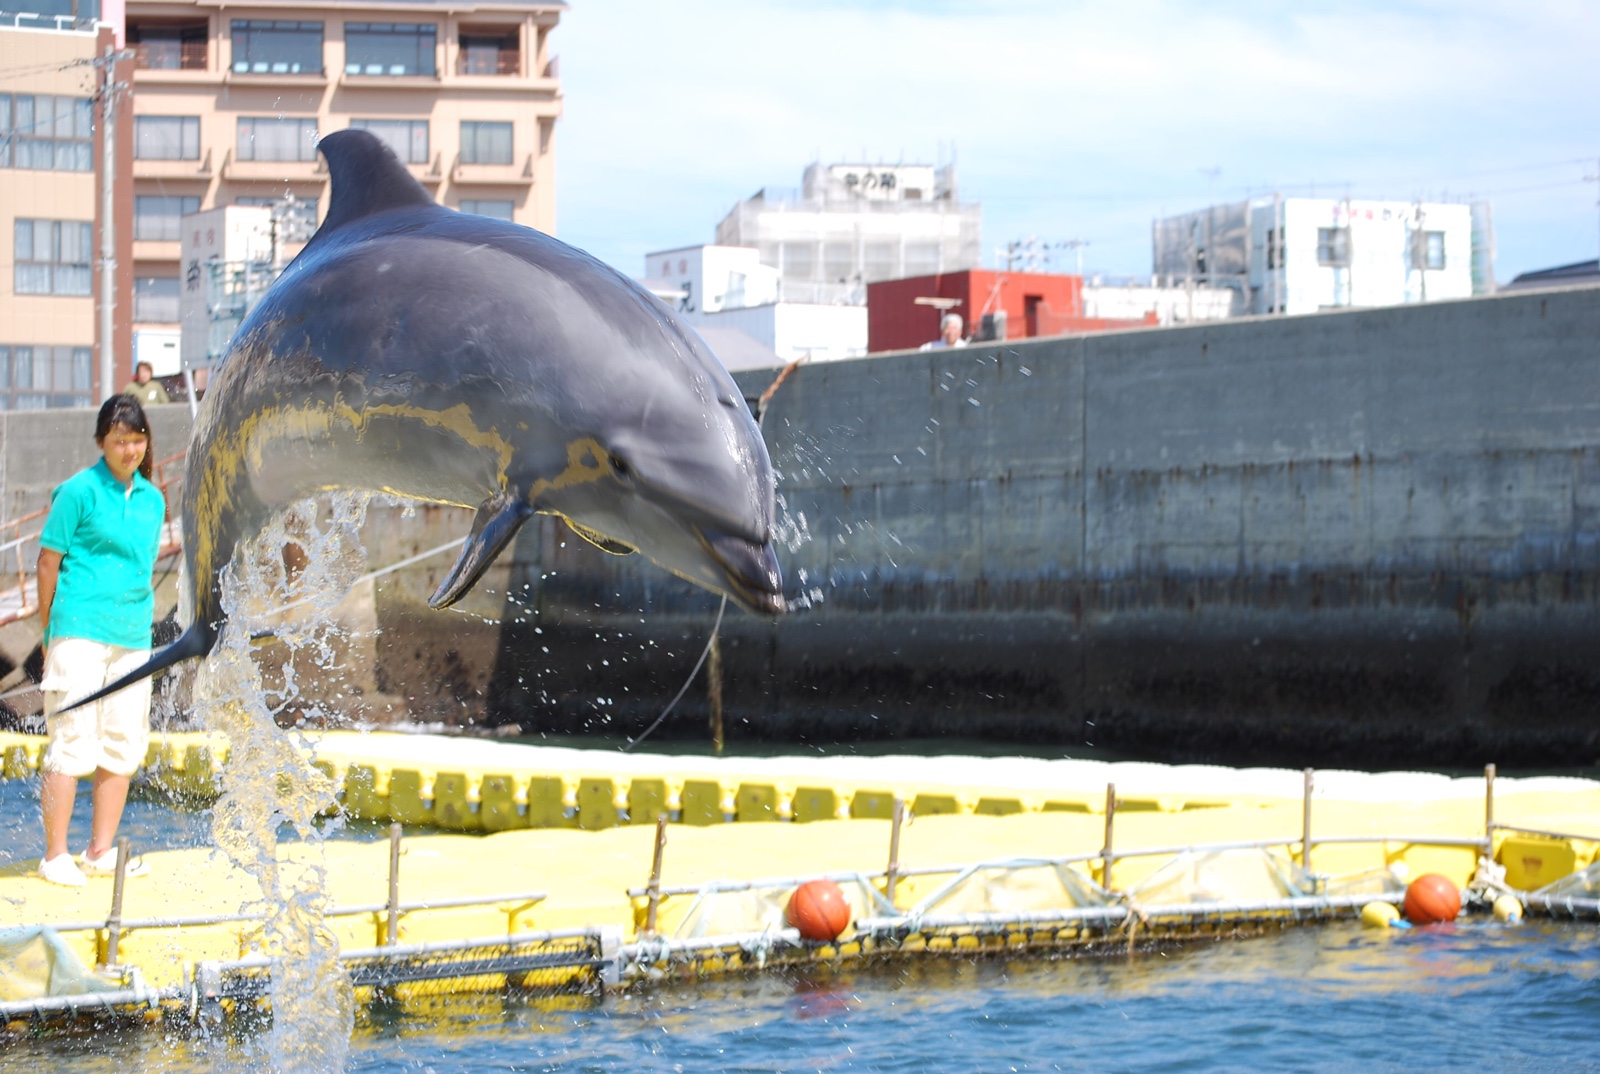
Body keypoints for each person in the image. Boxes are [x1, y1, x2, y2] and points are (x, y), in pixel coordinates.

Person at [35, 396, 166, 886]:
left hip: (132, 634)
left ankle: (99, 850)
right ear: (101, 442)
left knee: (122, 743)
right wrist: (49, 631)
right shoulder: (78, 491)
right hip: (79, 629)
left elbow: (142, 567)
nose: (129, 448)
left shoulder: (153, 499)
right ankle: (54, 855)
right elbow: (48, 563)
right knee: (71, 742)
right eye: (119, 440)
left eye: (136, 439)